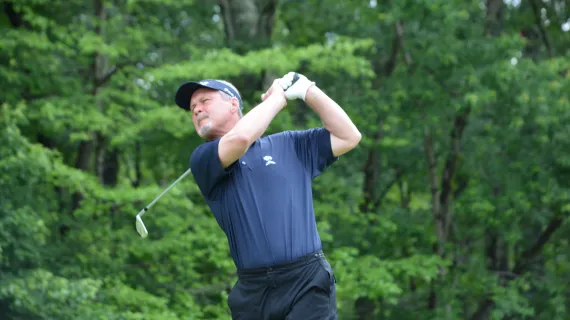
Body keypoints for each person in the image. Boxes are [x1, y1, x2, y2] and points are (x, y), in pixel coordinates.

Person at [174, 72, 361, 319]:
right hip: (253, 293)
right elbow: (240, 138)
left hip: (307, 281)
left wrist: (307, 90)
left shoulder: (289, 144)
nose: (196, 110)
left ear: (233, 104)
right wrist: (277, 98)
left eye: (204, 101)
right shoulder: (203, 158)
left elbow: (349, 136)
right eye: (192, 107)